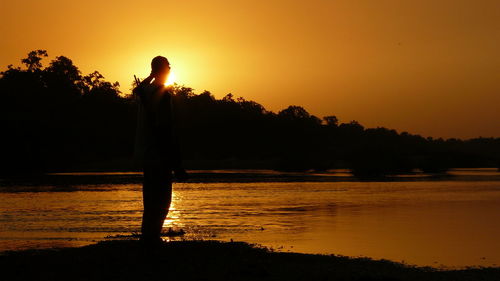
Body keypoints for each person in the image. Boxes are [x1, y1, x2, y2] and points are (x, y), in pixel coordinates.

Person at [133, 56, 187, 244]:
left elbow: (137, 89)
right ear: (165, 70)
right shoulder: (163, 95)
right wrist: (177, 163)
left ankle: (148, 236)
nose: (170, 70)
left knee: (150, 200)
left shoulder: (144, 92)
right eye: (168, 67)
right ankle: (152, 238)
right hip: (160, 154)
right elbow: (165, 130)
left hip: (146, 155)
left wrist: (150, 76)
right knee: (162, 200)